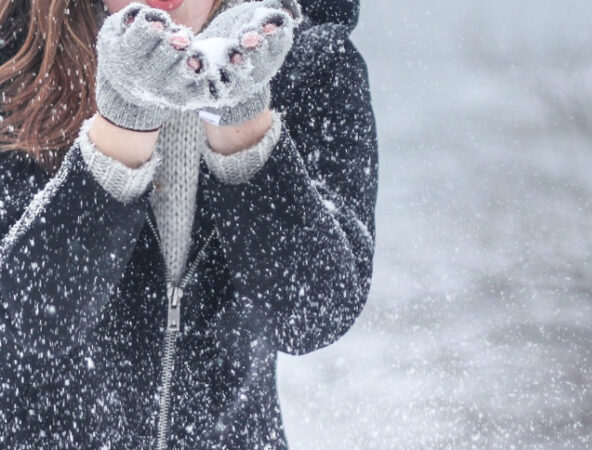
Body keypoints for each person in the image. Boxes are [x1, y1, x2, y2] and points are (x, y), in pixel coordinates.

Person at [0, 0, 377, 448]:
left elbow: (312, 315)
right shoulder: (15, 61)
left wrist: (242, 121)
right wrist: (122, 127)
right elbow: (21, 327)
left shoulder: (311, 62)